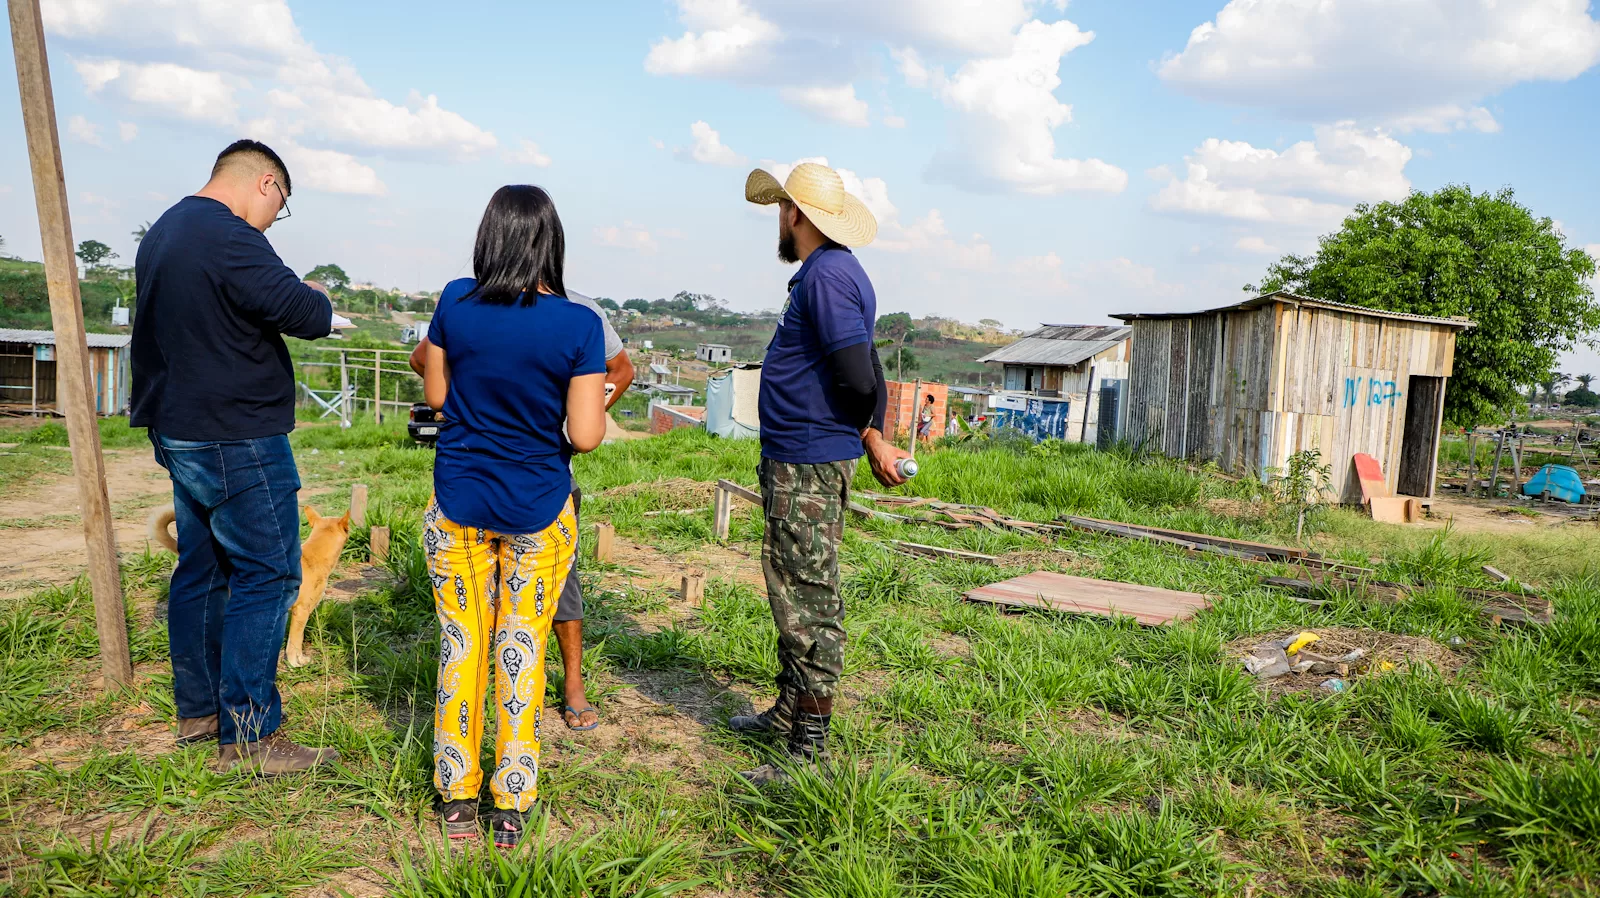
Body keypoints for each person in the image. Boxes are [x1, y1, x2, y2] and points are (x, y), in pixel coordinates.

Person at [131, 139, 340, 774]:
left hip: (181, 428)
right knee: (269, 574)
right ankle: (250, 736)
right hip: (236, 435)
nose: (274, 220)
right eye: (280, 207)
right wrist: (311, 289)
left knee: (203, 567)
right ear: (267, 184)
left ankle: (198, 714)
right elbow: (307, 314)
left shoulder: (165, 229)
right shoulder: (229, 235)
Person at [421, 185, 607, 848]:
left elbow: (439, 396)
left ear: (489, 236)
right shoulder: (579, 326)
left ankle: (455, 794)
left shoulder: (453, 302)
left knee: (461, 646)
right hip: (537, 505)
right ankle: (512, 801)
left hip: (460, 501)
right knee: (519, 647)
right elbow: (585, 436)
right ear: (550, 242)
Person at [731, 162, 911, 783]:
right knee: (789, 584)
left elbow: (859, 375)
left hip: (808, 460)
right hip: (796, 456)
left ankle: (810, 748)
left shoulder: (829, 278)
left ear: (796, 216)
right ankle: (788, 712)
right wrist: (872, 431)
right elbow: (865, 365)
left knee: (807, 595)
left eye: (782, 209)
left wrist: (867, 431)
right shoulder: (826, 274)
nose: (778, 219)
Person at [408, 295, 633, 733]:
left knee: (552, 592)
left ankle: (571, 685)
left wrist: (577, 410)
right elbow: (424, 359)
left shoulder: (580, 314)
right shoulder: (471, 305)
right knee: (510, 631)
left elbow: (619, 371)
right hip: (486, 481)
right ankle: (512, 789)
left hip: (529, 478)